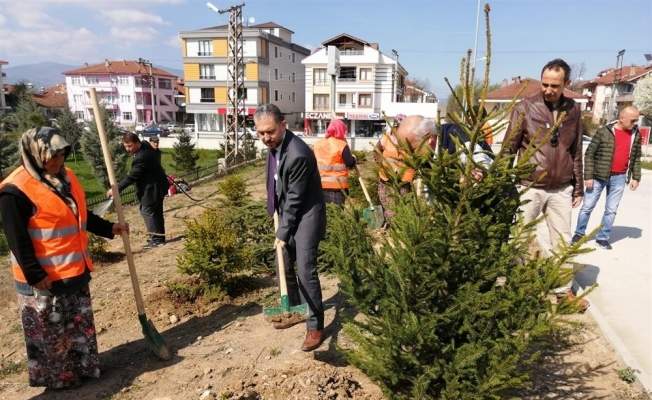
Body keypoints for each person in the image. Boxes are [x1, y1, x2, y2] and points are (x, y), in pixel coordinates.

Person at [0, 127, 129, 390]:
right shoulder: (15, 190)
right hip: (44, 279)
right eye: (52, 155)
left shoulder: (66, 177)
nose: (57, 161)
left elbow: (80, 214)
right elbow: (17, 239)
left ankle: (84, 368)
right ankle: (60, 379)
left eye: (62, 154)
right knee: (51, 333)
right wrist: (36, 275)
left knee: (78, 327)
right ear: (35, 152)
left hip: (74, 269)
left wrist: (108, 228)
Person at [505, 58, 587, 310]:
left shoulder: (573, 110)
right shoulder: (524, 108)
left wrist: (579, 186)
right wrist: (499, 181)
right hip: (529, 186)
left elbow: (575, 150)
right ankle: (514, 287)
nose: (548, 89)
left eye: (554, 85)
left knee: (562, 241)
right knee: (518, 237)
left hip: (561, 188)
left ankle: (563, 292)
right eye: (545, 84)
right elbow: (509, 146)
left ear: (566, 84)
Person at [255, 103, 327, 352]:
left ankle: (315, 325)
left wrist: (283, 232)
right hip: (286, 212)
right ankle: (295, 309)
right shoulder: (274, 147)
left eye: (270, 131)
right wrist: (274, 208)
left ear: (283, 125)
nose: (266, 137)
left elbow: (296, 198)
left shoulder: (298, 153)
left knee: (305, 269)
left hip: (307, 214)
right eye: (261, 132)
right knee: (282, 262)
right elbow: (274, 181)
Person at [572, 106, 642, 249]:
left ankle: (602, 237)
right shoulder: (604, 132)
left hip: (619, 177)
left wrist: (636, 177)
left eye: (637, 120)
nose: (635, 123)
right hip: (597, 177)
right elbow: (589, 154)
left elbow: (636, 158)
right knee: (587, 207)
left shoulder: (636, 134)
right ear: (622, 118)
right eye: (633, 120)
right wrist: (588, 176)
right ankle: (579, 234)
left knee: (611, 209)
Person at [107, 132, 168, 249]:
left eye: (130, 146)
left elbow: (131, 177)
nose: (128, 149)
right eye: (125, 146)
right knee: (156, 212)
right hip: (158, 185)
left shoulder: (141, 158)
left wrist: (116, 189)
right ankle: (160, 238)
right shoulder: (145, 144)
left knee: (147, 211)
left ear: (137, 143)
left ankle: (156, 240)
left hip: (152, 189)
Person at [374, 115, 436, 220]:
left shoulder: (411, 139)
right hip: (386, 176)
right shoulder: (386, 137)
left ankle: (399, 223)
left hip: (405, 178)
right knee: (385, 201)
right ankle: (388, 223)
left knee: (403, 203)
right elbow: (376, 152)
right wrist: (382, 164)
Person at [312, 119, 356, 206]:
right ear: (341, 130)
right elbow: (350, 163)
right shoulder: (341, 145)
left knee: (324, 215)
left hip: (319, 186)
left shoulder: (317, 144)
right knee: (336, 215)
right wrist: (354, 158)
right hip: (337, 187)